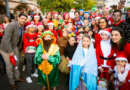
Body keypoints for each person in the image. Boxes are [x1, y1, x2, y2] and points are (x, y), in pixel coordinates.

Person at [0, 13, 27, 90]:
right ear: (18, 18)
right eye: (22, 18)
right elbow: (6, 40)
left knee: (17, 63)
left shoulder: (22, 27)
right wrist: (10, 51)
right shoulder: (11, 26)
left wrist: (17, 50)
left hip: (14, 47)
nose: (23, 20)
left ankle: (17, 77)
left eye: (25, 19)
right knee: (9, 67)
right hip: (6, 49)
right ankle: (12, 82)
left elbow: (18, 39)